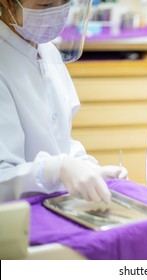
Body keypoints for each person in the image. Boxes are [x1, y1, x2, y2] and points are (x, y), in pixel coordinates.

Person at [0, 0, 127, 203]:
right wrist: (54, 170)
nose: (56, 12)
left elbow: (60, 140)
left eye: (65, 3)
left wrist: (89, 168)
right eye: (45, 5)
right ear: (6, 3)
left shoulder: (47, 52)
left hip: (53, 203)